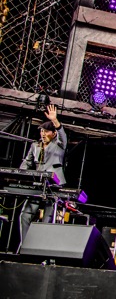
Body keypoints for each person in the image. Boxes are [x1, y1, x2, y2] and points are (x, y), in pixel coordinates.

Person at [19, 104, 67, 244]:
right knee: (25, 215)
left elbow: (63, 136)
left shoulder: (59, 145)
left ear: (53, 133)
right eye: (41, 131)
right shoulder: (35, 146)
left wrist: (55, 120)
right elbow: (27, 162)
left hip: (54, 186)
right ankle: (25, 245)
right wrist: (20, 174)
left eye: (46, 131)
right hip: (38, 185)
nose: (43, 134)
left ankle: (41, 247)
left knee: (48, 219)